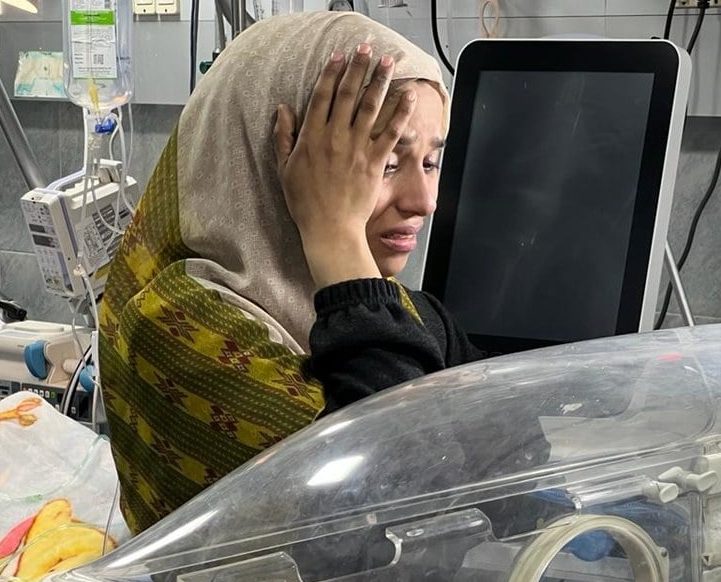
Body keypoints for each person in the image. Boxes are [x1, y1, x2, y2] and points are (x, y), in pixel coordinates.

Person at [99, 12, 482, 534]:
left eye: (431, 162)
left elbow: (514, 448)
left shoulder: (393, 311)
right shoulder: (172, 328)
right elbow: (392, 499)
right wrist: (335, 234)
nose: (425, 201)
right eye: (386, 163)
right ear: (282, 161)